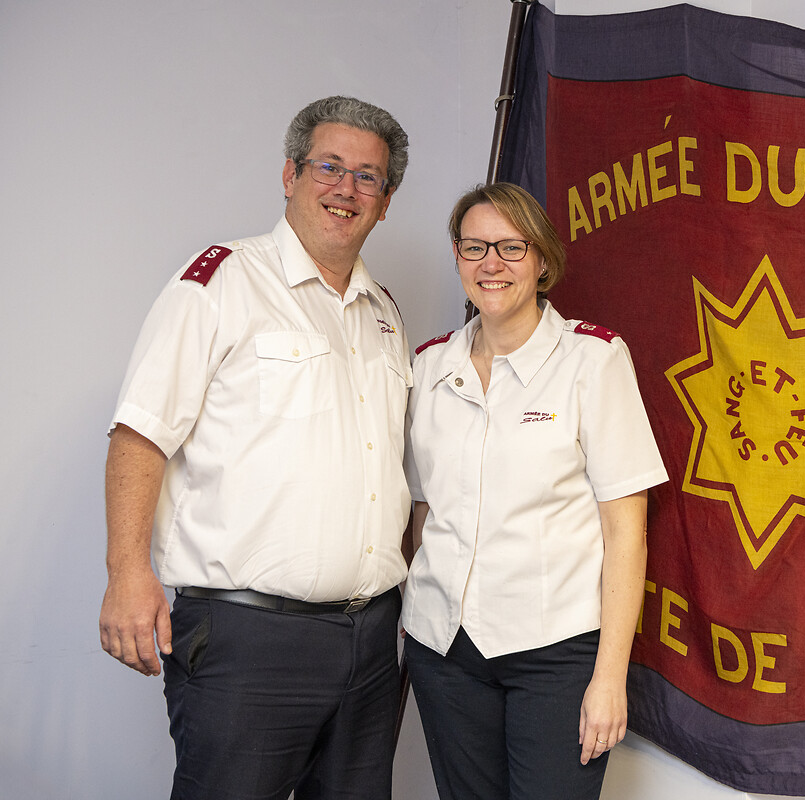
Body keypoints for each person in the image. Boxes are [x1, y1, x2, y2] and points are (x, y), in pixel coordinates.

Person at [98, 96, 413, 800]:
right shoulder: (221, 282)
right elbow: (140, 432)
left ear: (386, 202)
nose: (346, 189)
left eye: (368, 177)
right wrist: (127, 570)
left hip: (369, 642)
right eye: (329, 167)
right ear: (290, 175)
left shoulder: (384, 313)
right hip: (248, 639)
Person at [402, 182, 669, 800]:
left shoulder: (593, 361)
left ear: (543, 261)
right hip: (444, 649)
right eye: (474, 248)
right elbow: (422, 514)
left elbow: (626, 531)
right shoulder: (429, 368)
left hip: (553, 654)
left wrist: (610, 677)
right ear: (458, 257)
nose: (490, 264)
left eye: (510, 248)